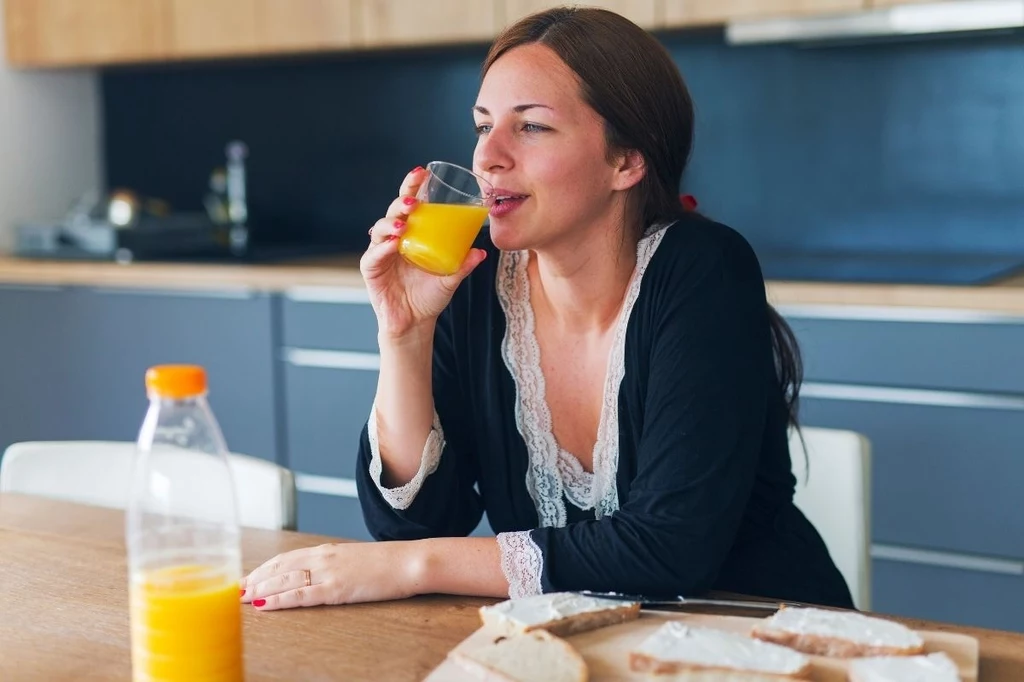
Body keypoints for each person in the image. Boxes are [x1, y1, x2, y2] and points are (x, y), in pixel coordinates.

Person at [239, 6, 854, 611]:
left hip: (764, 638)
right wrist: (405, 332)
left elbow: (670, 550)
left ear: (626, 160)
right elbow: (415, 523)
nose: (488, 157)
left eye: (530, 126)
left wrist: (409, 568)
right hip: (588, 647)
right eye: (483, 126)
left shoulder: (702, 270)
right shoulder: (475, 277)